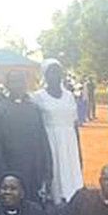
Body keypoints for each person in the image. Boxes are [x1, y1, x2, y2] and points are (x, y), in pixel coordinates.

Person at [0, 70, 53, 199]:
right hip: (11, 168)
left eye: (20, 81)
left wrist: (47, 172)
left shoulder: (34, 109)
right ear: (7, 85)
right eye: (14, 82)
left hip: (33, 169)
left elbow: (42, 141)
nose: (18, 85)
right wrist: (2, 172)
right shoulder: (0, 110)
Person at [30, 60, 83, 204]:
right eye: (51, 72)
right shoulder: (37, 97)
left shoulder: (69, 96)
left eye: (58, 72)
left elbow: (74, 124)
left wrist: (78, 150)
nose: (55, 75)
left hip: (69, 144)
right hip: (50, 143)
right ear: (44, 75)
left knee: (72, 181)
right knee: (55, 181)